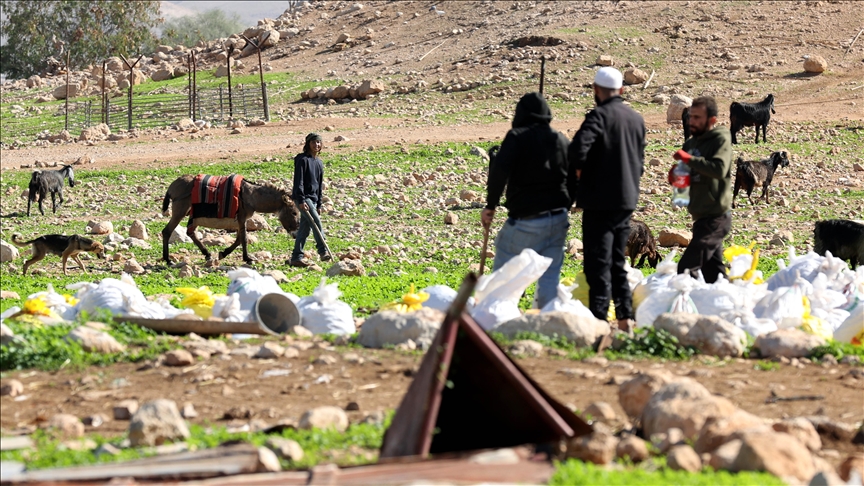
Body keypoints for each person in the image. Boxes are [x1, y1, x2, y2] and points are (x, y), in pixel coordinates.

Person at [569, 67, 646, 330]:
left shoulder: (598, 116)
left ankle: (600, 319)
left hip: (598, 202)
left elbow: (577, 151)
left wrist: (583, 175)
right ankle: (624, 317)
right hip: (626, 200)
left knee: (597, 262)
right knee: (616, 261)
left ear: (596, 90)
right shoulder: (635, 119)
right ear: (621, 90)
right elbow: (640, 163)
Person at [481, 92, 573, 309]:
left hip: (526, 218)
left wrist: (491, 205)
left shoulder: (516, 137)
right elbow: (573, 177)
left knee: (505, 266)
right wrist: (566, 205)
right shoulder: (560, 139)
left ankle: (496, 313)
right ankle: (546, 316)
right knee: (550, 276)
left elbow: (499, 171)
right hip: (558, 218)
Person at [669, 96, 733, 283]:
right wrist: (676, 176)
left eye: (697, 117)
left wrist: (688, 159)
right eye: (691, 116)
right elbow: (685, 179)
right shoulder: (690, 144)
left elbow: (719, 169)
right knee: (714, 275)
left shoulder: (720, 138)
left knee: (686, 268)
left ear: (711, 120)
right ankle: (731, 297)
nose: (692, 121)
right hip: (699, 218)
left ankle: (687, 301)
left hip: (716, 217)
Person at [289, 133, 331, 267]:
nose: (316, 145)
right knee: (316, 221)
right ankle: (323, 250)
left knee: (304, 229)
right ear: (308, 144)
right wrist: (301, 200)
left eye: (318, 142)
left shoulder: (319, 163)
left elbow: (319, 185)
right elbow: (299, 181)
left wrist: (319, 204)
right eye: (313, 142)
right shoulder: (302, 159)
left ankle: (296, 257)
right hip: (303, 198)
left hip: (313, 199)